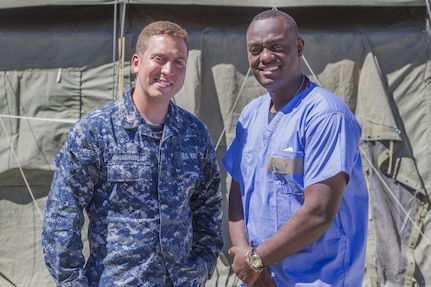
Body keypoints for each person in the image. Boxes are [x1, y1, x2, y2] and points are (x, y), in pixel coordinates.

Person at [42, 20, 223, 287]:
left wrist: (202, 265)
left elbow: (209, 209)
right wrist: (71, 282)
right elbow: (61, 215)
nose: (168, 70)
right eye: (159, 59)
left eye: (179, 62)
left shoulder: (194, 134)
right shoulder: (96, 131)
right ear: (136, 62)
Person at [223, 9, 368, 287]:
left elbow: (318, 212)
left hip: (317, 278)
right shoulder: (250, 116)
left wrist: (256, 259)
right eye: (255, 49)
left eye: (277, 46)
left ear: (298, 47)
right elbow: (237, 189)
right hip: (259, 278)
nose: (265, 57)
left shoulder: (326, 116)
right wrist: (245, 257)